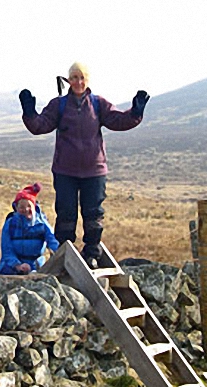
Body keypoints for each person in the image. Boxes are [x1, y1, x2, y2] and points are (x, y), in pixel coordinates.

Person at [19, 62, 150, 268]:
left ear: (87, 80)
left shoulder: (98, 104)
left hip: (94, 171)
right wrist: (29, 112)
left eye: (82, 78)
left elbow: (119, 121)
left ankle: (92, 255)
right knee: (66, 214)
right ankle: (64, 253)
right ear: (68, 80)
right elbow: (40, 126)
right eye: (74, 78)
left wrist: (135, 113)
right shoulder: (59, 105)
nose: (78, 82)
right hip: (65, 171)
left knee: (93, 214)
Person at [0, 183, 59, 275]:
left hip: (36, 265)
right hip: (12, 266)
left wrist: (59, 255)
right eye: (21, 207)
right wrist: (17, 265)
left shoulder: (42, 223)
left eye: (29, 206)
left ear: (34, 207)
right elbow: (7, 250)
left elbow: (53, 242)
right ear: (16, 208)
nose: (26, 209)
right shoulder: (10, 224)